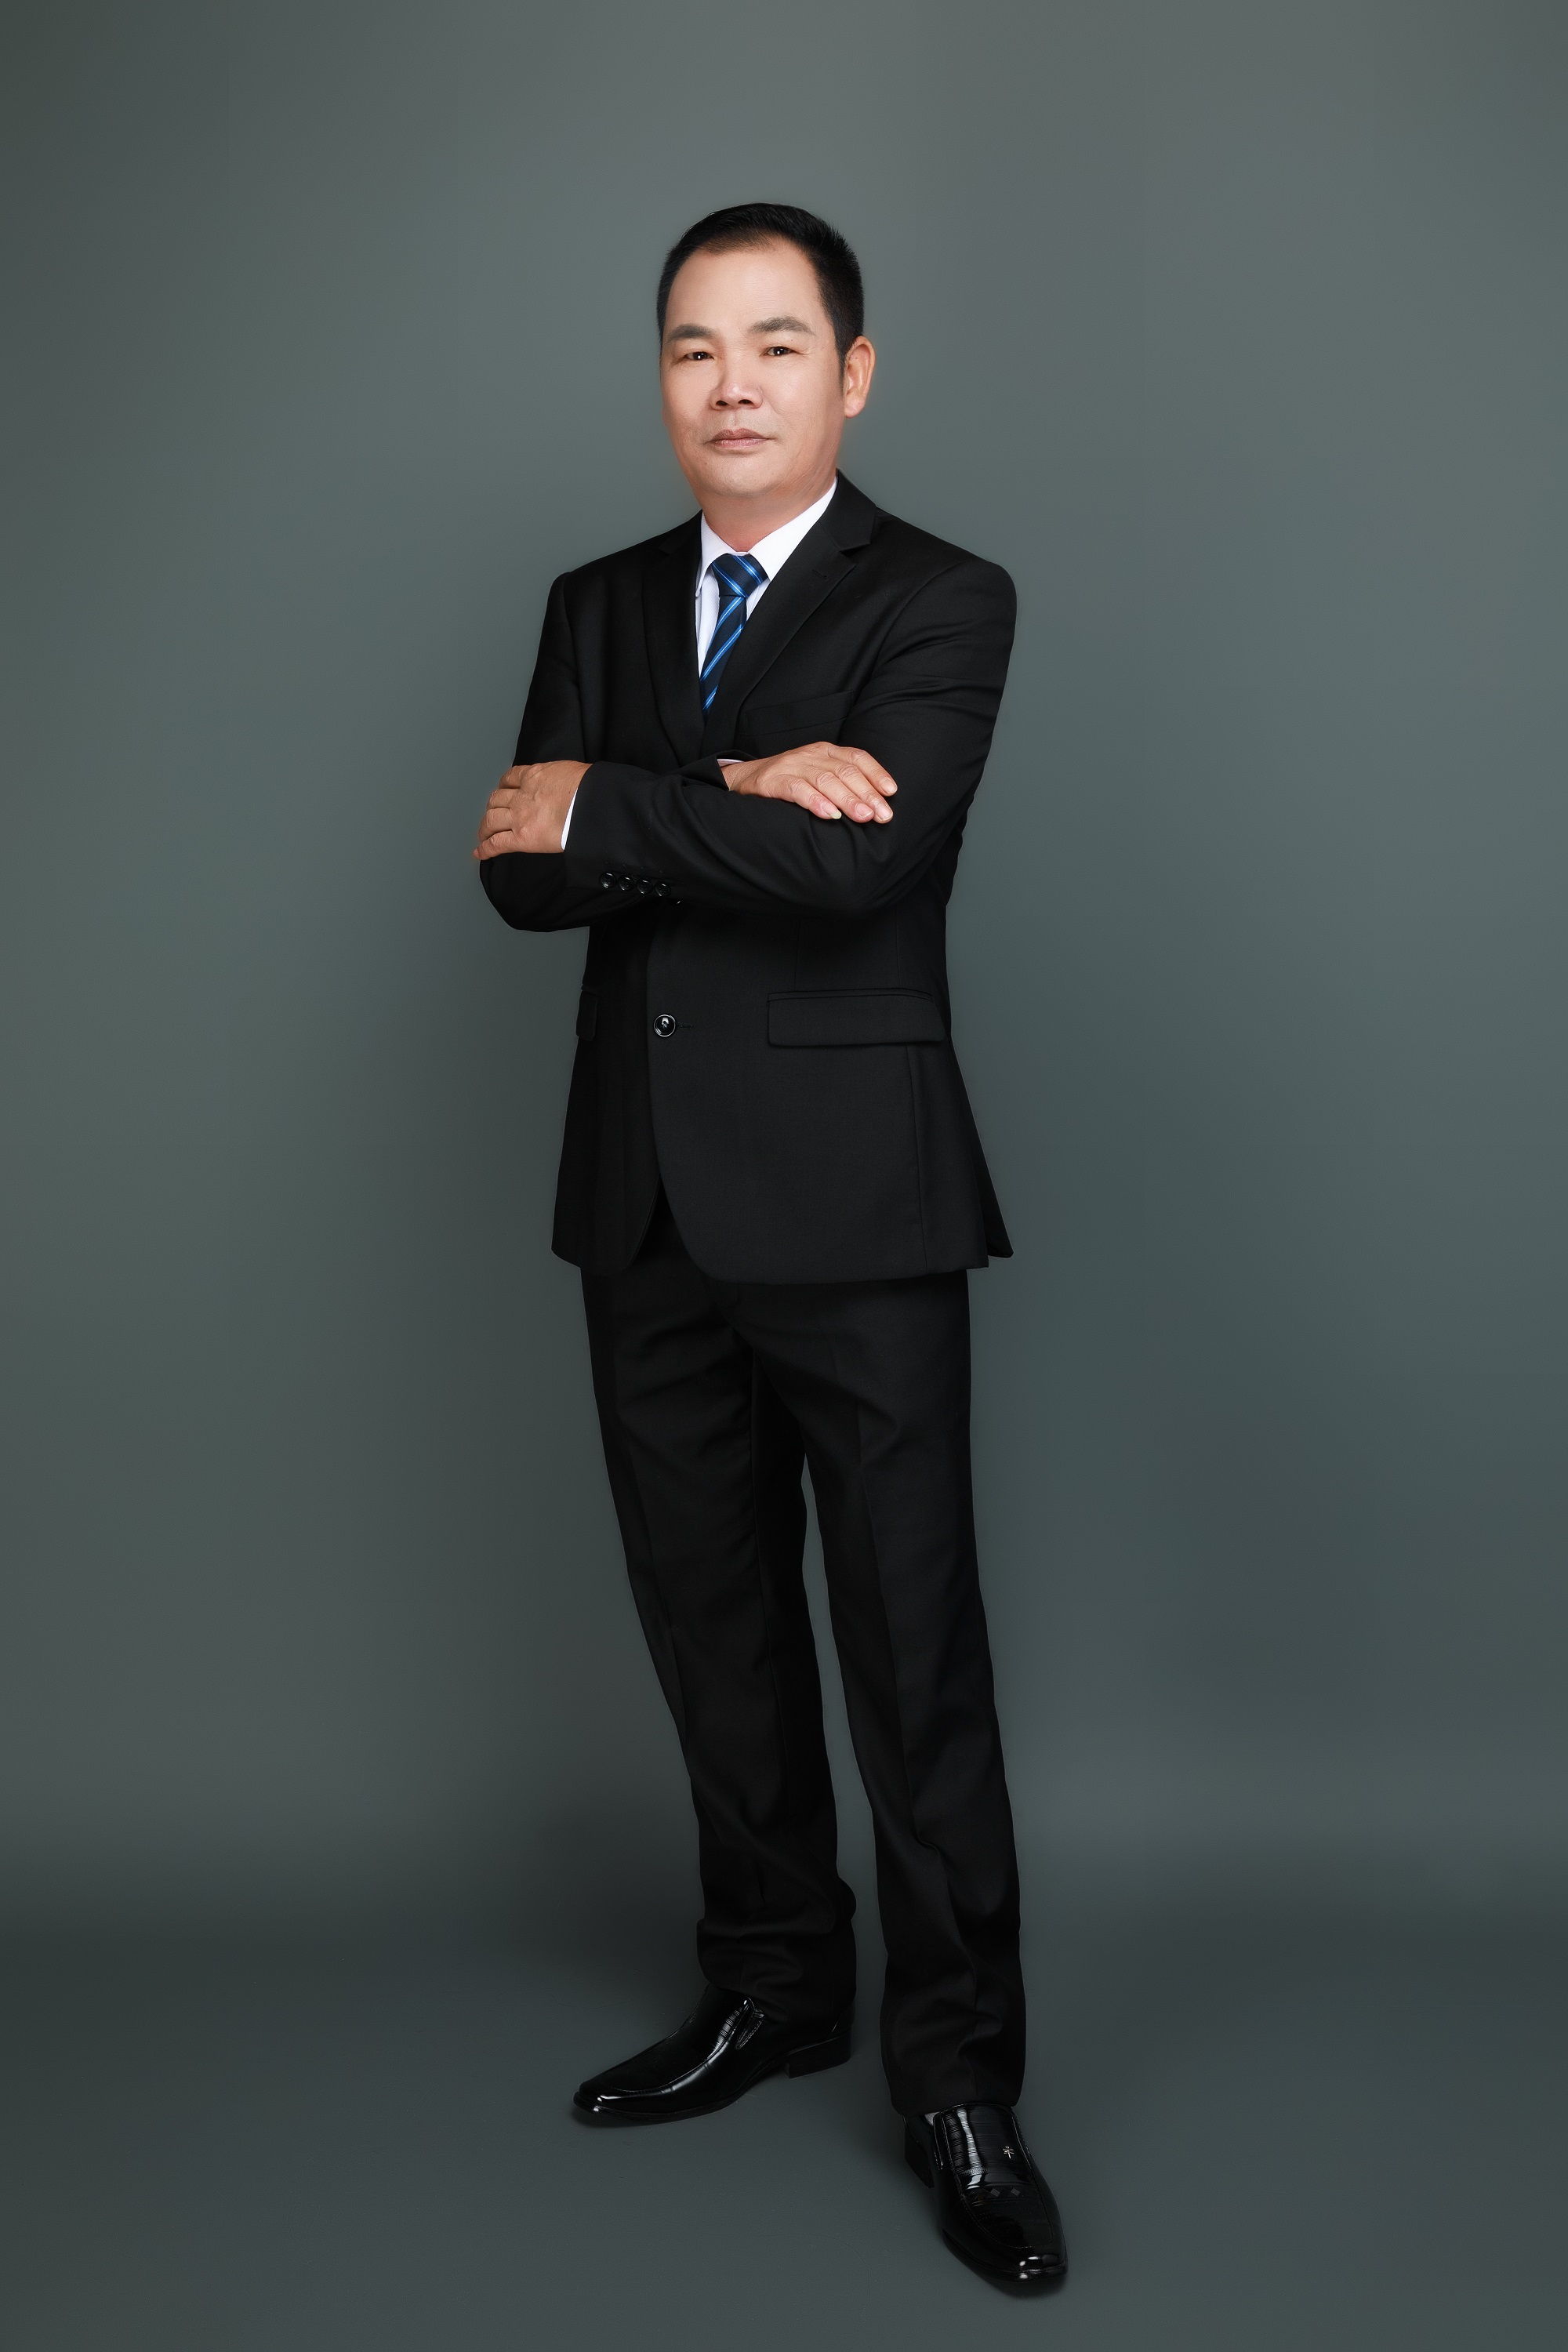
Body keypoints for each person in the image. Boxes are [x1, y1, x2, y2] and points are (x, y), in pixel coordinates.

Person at [475, 203, 1065, 2290]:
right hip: (640, 1201)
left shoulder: (946, 595)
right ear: (663, 376)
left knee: (913, 1653)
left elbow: (865, 865)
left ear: (853, 374)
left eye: (777, 344)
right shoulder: (598, 598)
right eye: (693, 348)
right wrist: (739, 786)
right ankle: (774, 1984)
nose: (732, 385)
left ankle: (961, 2079)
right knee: (712, 1628)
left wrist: (623, 797)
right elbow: (518, 876)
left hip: (857, 1200)